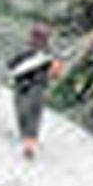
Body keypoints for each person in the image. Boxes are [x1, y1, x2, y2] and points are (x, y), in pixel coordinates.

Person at [8, 24, 63, 161]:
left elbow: (55, 73)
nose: (38, 39)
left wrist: (55, 68)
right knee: (21, 111)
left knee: (33, 112)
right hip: (20, 85)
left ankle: (29, 145)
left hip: (38, 86)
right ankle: (25, 137)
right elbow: (11, 65)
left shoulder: (50, 55)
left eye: (42, 37)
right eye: (36, 36)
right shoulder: (24, 50)